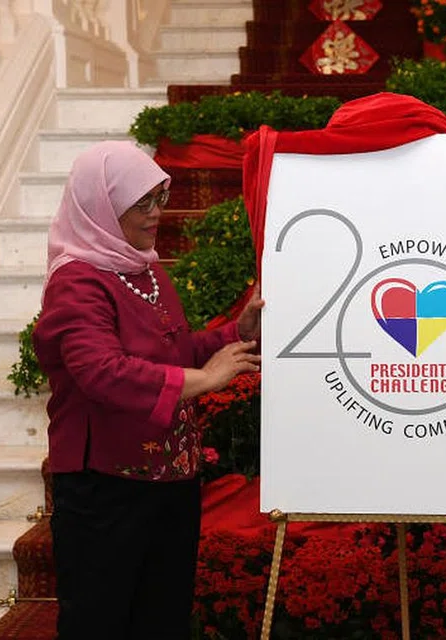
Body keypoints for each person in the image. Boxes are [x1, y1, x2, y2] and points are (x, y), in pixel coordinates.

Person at [32, 140, 263, 639]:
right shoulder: (77, 281)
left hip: (170, 478)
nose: (158, 213)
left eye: (160, 197)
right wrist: (204, 380)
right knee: (102, 619)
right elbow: (101, 371)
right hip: (106, 486)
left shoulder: (145, 268)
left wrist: (235, 335)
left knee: (162, 617)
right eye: (143, 203)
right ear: (103, 206)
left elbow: (175, 353)